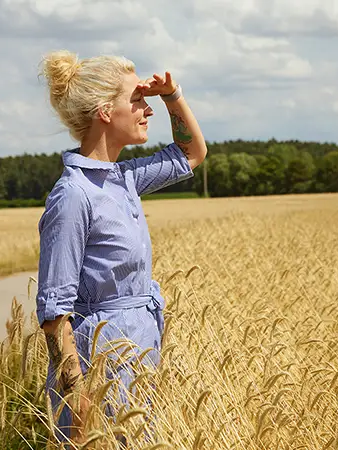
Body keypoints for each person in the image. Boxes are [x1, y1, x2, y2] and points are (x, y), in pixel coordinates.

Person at [35, 50, 207, 446]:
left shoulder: (124, 179)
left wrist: (173, 95)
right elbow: (54, 313)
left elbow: (192, 154)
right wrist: (78, 396)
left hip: (138, 355)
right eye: (137, 100)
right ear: (105, 112)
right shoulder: (73, 196)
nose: (146, 109)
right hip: (99, 365)